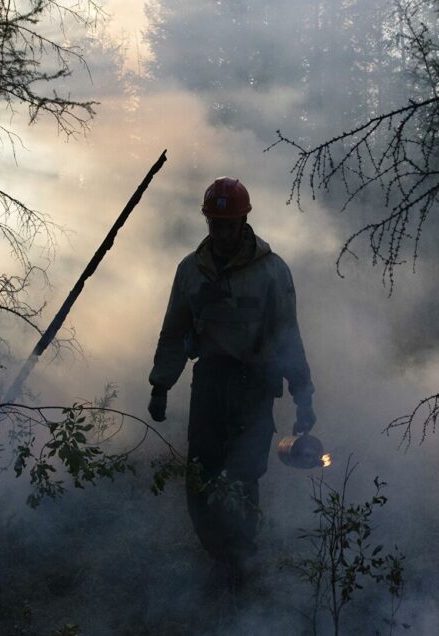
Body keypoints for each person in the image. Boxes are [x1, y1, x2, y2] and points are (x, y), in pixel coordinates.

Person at [147, 176, 316, 588]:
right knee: (202, 472)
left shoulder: (272, 272)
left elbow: (288, 335)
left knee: (243, 473)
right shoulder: (191, 271)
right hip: (209, 383)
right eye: (215, 224)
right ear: (206, 222)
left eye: (229, 224)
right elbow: (174, 331)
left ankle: (241, 557)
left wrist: (303, 397)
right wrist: (160, 384)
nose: (222, 233)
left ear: (244, 221)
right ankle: (216, 553)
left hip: (254, 386)